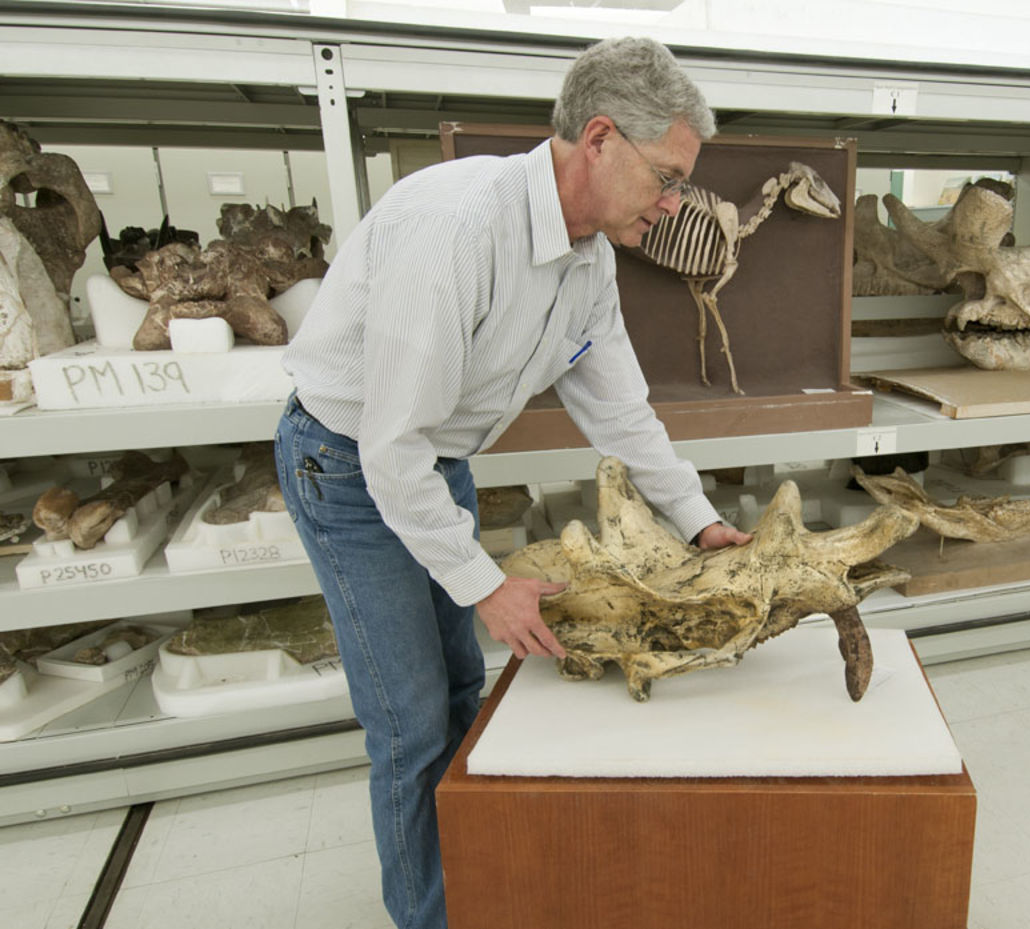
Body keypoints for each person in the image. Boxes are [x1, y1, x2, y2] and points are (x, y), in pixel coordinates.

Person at [273, 36, 751, 929]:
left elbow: (620, 411)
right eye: (667, 177)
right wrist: (485, 584)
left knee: (461, 690)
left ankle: (474, 885)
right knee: (411, 726)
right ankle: (433, 918)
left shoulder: (590, 258)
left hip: (433, 464)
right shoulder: (456, 229)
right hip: (346, 463)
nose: (675, 202)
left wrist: (698, 522)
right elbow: (390, 447)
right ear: (600, 137)